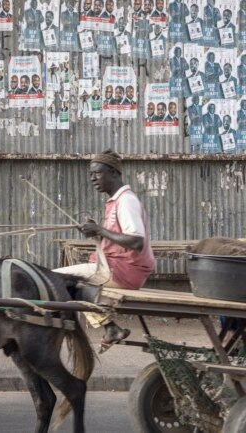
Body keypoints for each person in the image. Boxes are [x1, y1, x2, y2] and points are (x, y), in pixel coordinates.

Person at [53, 151, 154, 354]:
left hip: (123, 270)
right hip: (117, 268)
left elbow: (136, 242)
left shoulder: (126, 201)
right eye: (91, 174)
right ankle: (110, 328)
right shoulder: (116, 201)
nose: (92, 179)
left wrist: (99, 230)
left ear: (114, 173)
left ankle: (103, 328)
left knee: (54, 278)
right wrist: (97, 232)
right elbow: (120, 238)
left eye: (97, 173)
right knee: (72, 284)